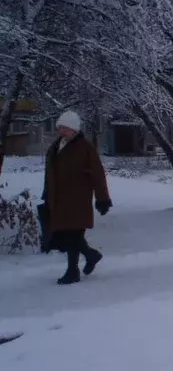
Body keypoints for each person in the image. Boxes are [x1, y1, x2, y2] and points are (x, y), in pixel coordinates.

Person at [42, 110, 113, 285]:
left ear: (74, 129)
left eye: (65, 128)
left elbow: (98, 174)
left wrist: (102, 198)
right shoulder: (57, 145)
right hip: (59, 199)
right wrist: (47, 193)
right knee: (68, 235)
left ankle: (73, 272)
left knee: (73, 235)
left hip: (77, 199)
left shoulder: (85, 147)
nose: (61, 131)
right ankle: (91, 255)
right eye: (60, 128)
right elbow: (50, 172)